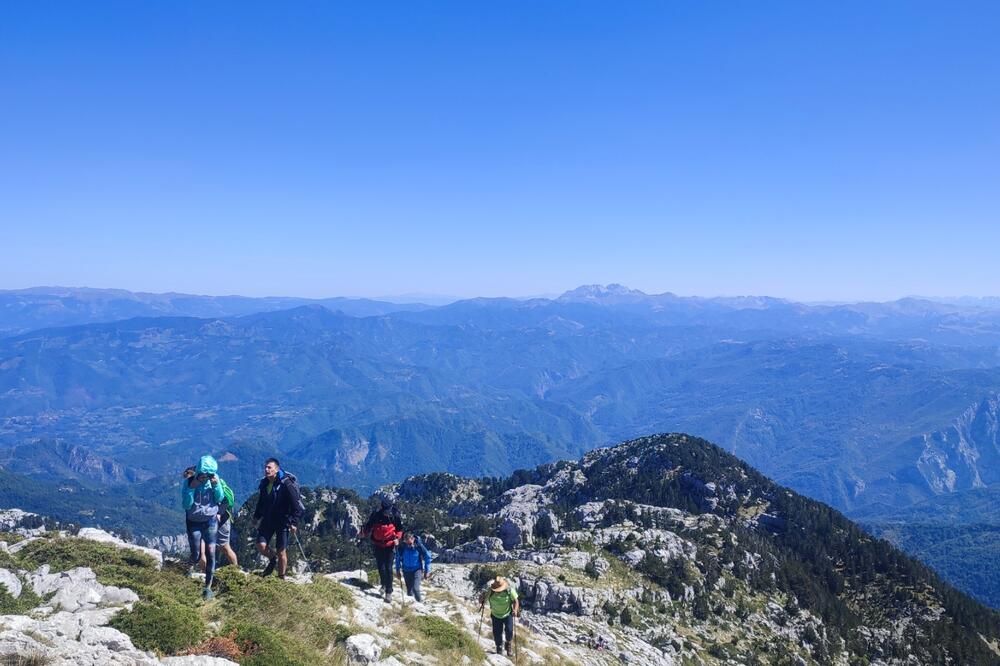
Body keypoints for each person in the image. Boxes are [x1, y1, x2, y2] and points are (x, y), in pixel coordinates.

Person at [251, 457, 303, 579]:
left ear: (276, 469)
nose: (266, 469)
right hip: (268, 519)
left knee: (281, 551)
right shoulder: (265, 483)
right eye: (265, 467)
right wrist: (256, 517)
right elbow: (261, 502)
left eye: (269, 467)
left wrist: (294, 522)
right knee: (261, 545)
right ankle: (272, 558)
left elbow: (296, 506)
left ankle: (281, 577)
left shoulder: (286, 484)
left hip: (283, 521)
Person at [181, 455, 224, 599]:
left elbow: (219, 498)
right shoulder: (189, 482)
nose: (206, 477)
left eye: (209, 475)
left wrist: (216, 485)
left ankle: (208, 587)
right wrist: (191, 489)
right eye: (203, 474)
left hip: (210, 520)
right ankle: (185, 569)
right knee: (196, 554)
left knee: (211, 552)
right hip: (193, 521)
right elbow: (186, 505)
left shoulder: (215, 480)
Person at [184, 465, 238, 569]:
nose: (189, 482)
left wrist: (219, 513)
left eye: (190, 479)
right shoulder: (192, 487)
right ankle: (206, 574)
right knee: (201, 550)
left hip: (221, 518)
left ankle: (236, 570)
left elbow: (225, 500)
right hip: (203, 520)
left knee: (224, 547)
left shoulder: (212, 483)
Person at [359, 497, 403, 602]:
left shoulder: (395, 515)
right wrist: (363, 533)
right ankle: (383, 584)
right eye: (385, 510)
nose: (387, 512)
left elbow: (400, 529)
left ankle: (389, 591)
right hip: (378, 545)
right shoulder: (376, 515)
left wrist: (397, 538)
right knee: (381, 567)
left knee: (388, 568)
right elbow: (368, 526)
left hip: (390, 545)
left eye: (388, 510)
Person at [480, 575, 519, 657]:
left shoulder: (509, 590)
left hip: (507, 614)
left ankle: (508, 644)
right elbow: (482, 601)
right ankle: (499, 647)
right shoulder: (490, 591)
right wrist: (482, 597)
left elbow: (516, 601)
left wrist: (515, 610)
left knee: (509, 630)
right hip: (495, 615)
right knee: (497, 633)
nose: (498, 591)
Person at [394, 531, 432, 602]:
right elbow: (397, 558)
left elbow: (427, 557)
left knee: (415, 588)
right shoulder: (402, 547)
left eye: (410, 543)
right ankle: (413, 606)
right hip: (406, 571)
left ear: (413, 539)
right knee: (409, 591)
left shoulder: (418, 546)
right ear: (404, 541)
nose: (409, 545)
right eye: (407, 543)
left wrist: (427, 571)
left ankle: (420, 603)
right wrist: (397, 570)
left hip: (417, 570)